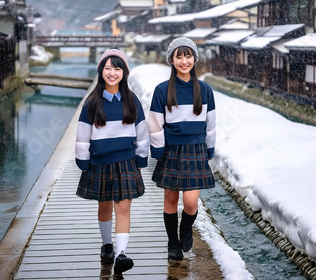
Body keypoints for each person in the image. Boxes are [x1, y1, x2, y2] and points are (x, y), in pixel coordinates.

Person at [75, 49, 149, 274]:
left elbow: (142, 132)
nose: (112, 72)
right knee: (104, 205)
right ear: (101, 71)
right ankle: (107, 245)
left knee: (124, 207)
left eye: (117, 68)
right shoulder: (92, 103)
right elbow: (82, 135)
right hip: (100, 162)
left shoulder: (132, 100)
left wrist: (142, 156)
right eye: (107, 68)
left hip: (126, 160)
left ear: (124, 72)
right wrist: (82, 160)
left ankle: (121, 254)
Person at [149, 37, 216, 260]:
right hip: (171, 150)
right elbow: (156, 124)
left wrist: (210, 148)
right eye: (179, 56)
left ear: (194, 59)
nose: (184, 61)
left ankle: (186, 228)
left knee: (190, 202)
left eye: (188, 56)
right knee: (170, 199)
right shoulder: (162, 90)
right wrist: (158, 151)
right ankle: (173, 244)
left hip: (196, 149)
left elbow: (211, 124)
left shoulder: (205, 90)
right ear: (172, 60)